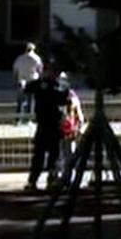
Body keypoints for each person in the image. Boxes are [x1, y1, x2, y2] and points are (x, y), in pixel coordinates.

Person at [23, 63, 70, 192]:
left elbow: (65, 99)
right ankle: (33, 181)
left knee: (54, 155)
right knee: (40, 154)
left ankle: (52, 178)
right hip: (44, 124)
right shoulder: (42, 84)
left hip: (54, 124)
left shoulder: (59, 86)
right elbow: (27, 88)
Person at [59, 72, 85, 179]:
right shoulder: (58, 94)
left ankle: (68, 175)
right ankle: (65, 174)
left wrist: (79, 126)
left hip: (69, 129)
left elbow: (78, 112)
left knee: (69, 153)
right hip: (62, 129)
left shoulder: (71, 96)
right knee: (63, 154)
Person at [13, 43, 43, 123]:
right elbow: (40, 70)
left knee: (20, 101)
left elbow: (15, 70)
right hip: (32, 81)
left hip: (22, 81)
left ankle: (18, 119)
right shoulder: (37, 58)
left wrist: (15, 80)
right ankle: (28, 119)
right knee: (31, 101)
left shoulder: (20, 58)